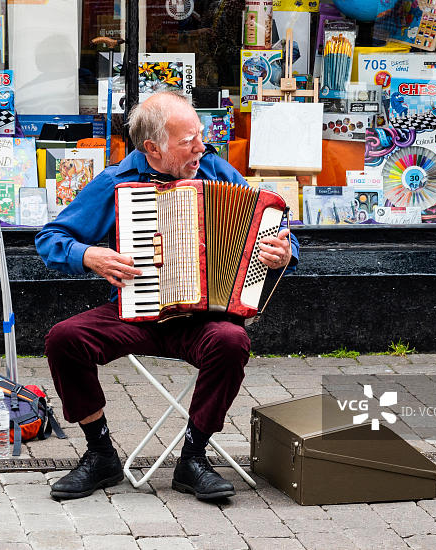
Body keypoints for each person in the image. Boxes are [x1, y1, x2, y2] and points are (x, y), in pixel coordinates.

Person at [35, 91, 299, 501]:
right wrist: (88, 255)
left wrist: (283, 252)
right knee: (64, 338)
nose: (200, 148)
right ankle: (100, 453)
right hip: (135, 312)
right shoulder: (116, 181)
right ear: (153, 148)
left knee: (232, 340)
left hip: (205, 319)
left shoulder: (215, 170)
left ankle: (193, 458)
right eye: (188, 141)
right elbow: (51, 237)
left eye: (200, 136)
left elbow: (274, 225)